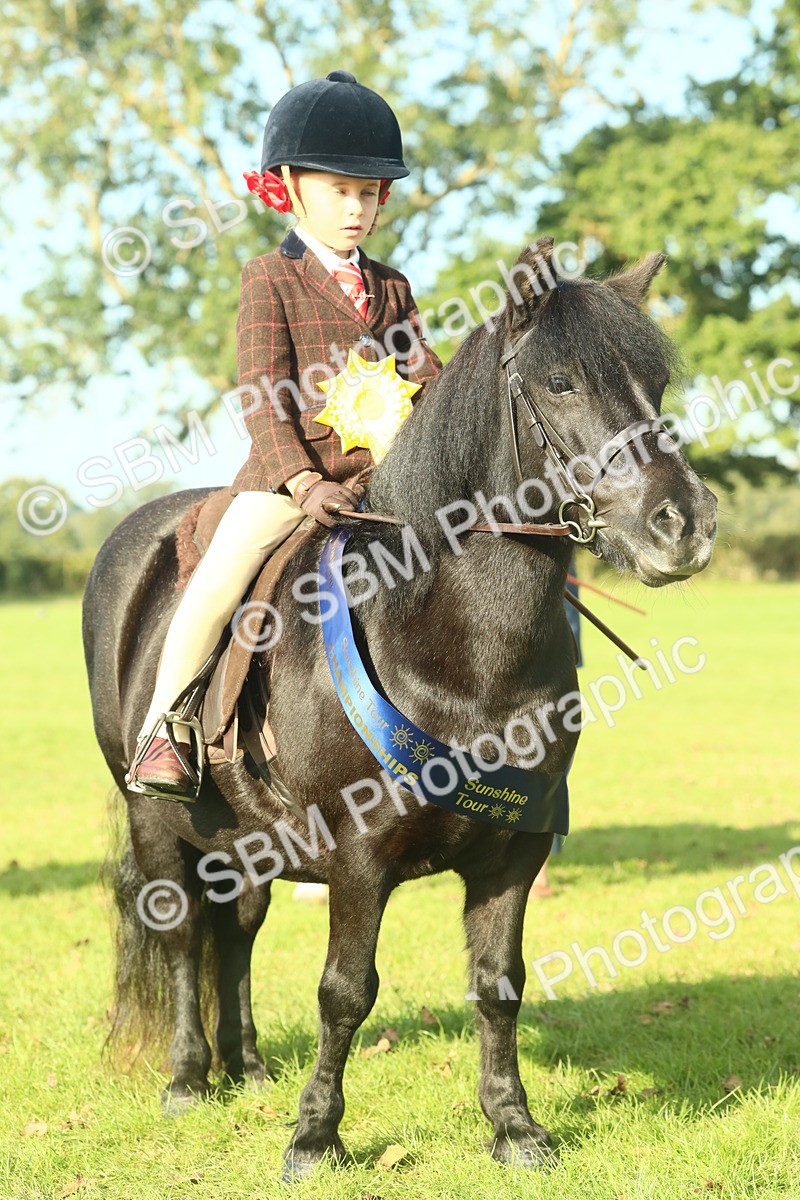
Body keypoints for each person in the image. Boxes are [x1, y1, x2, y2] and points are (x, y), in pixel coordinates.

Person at [126, 70, 441, 800]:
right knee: (224, 573)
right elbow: (263, 397)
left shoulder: (392, 286)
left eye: (368, 194)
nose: (356, 208)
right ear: (291, 187)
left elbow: (425, 376)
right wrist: (302, 481)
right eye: (339, 190)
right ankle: (162, 731)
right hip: (293, 480)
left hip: (385, 482)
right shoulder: (269, 276)